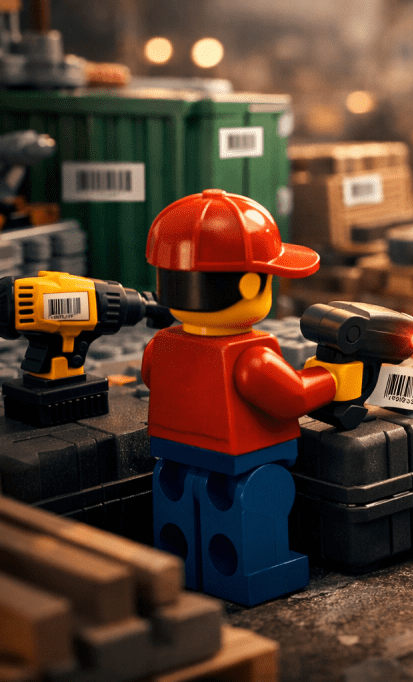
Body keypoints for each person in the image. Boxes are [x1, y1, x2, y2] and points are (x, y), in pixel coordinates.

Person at [143, 189, 362, 606]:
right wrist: (332, 379)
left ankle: (182, 567)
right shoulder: (250, 354)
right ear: (249, 283)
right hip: (245, 461)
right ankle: (255, 571)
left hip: (175, 452)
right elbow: (291, 398)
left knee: (178, 509)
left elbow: (151, 378)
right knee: (255, 505)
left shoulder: (162, 343)